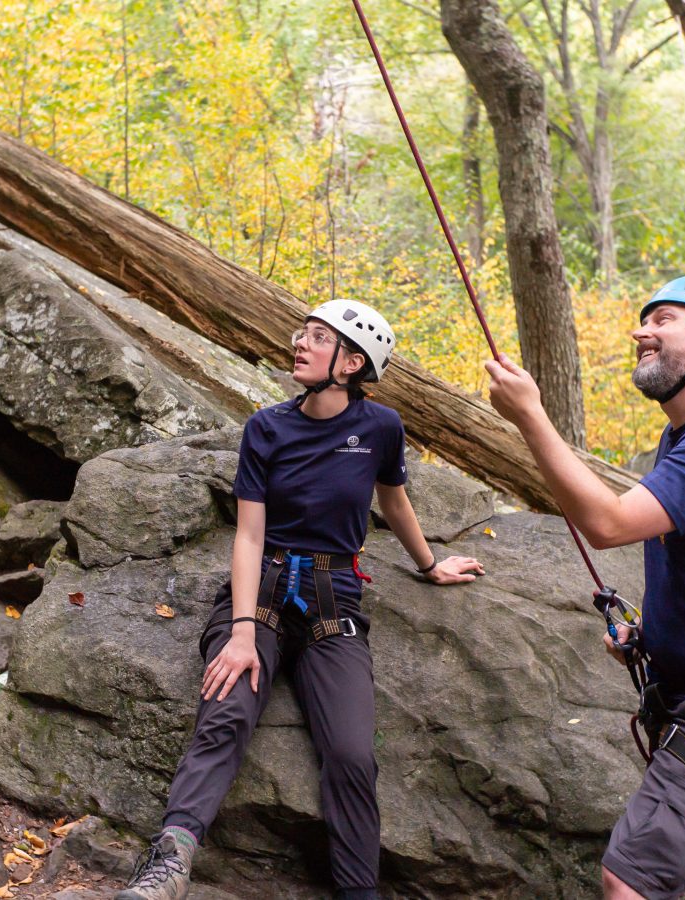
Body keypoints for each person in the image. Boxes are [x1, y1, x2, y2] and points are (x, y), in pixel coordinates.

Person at [117, 299, 484, 900]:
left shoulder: (381, 428)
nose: (300, 343)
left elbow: (393, 499)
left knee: (350, 752)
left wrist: (430, 564)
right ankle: (170, 861)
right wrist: (239, 631)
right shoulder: (267, 427)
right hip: (261, 584)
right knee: (228, 709)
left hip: (334, 592)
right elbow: (249, 534)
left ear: (351, 363)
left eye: (317, 338)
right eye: (303, 333)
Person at [485, 275, 685, 900]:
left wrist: (530, 417)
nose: (641, 331)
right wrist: (651, 635)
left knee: (628, 878)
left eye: (661, 319)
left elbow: (606, 526)